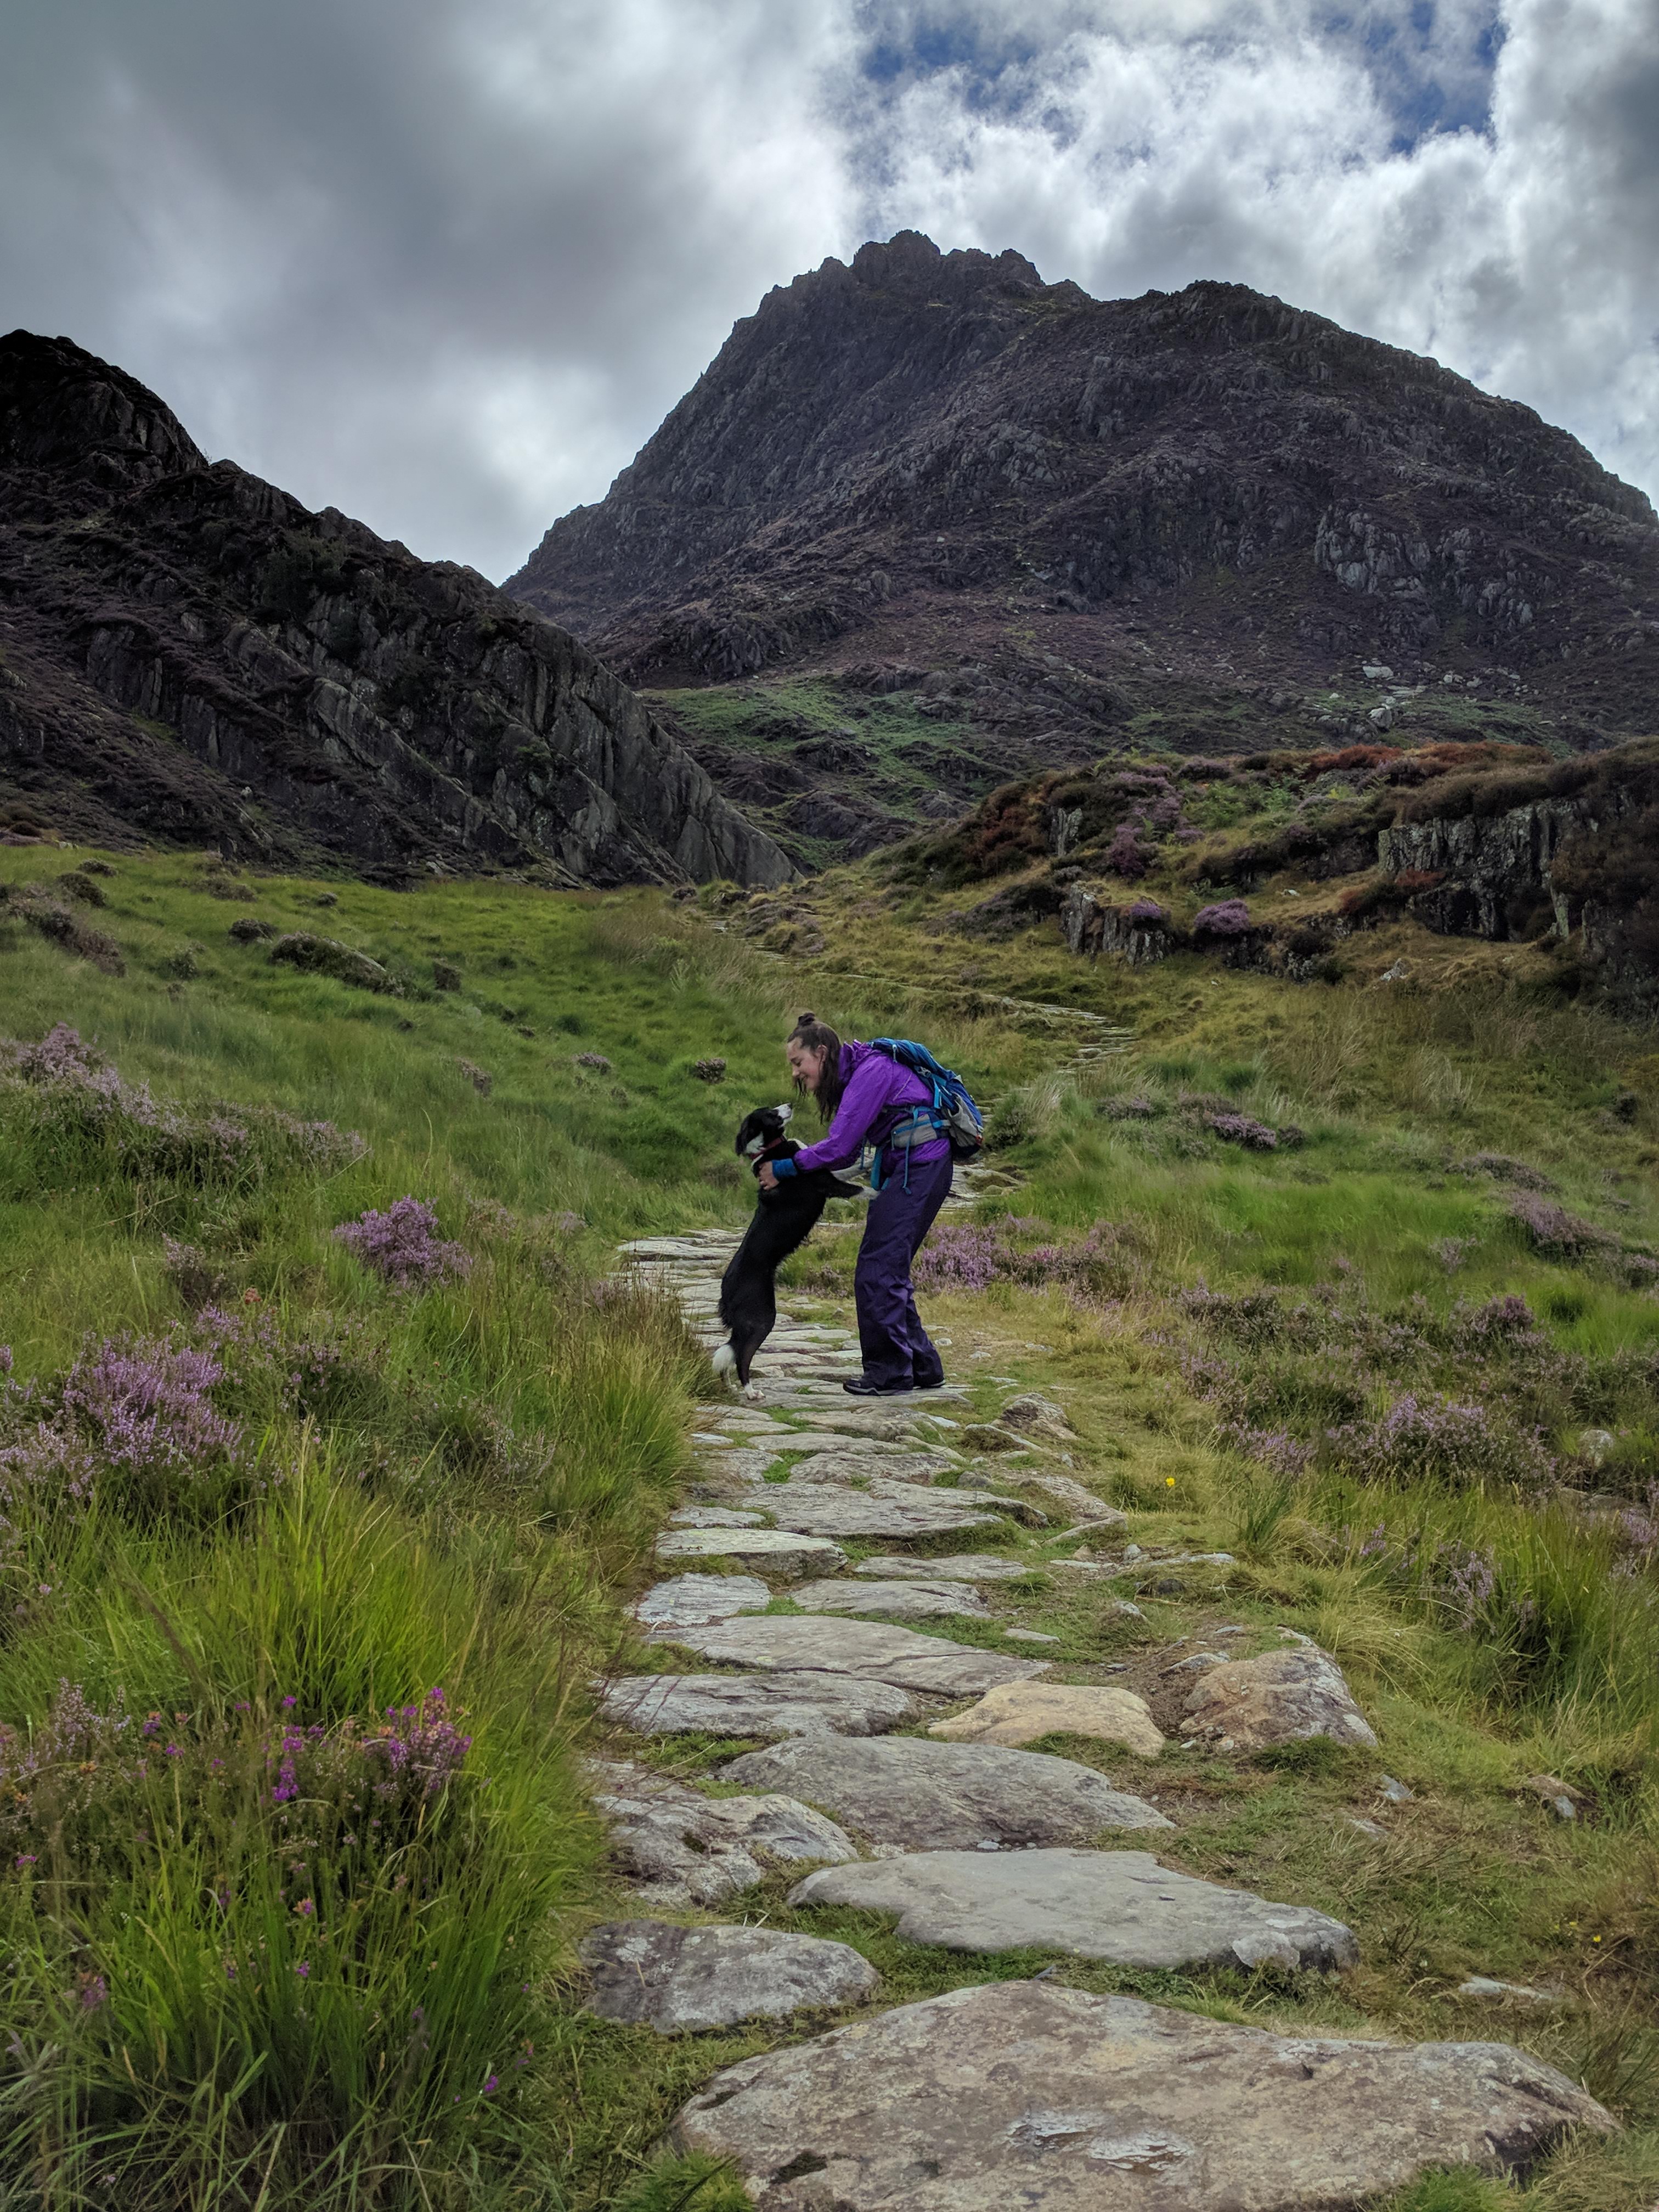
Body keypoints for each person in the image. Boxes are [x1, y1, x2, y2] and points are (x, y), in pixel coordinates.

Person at [758, 1011, 951, 1396]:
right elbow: (844, 1154)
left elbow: (840, 1148)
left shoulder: (870, 1072)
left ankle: (891, 1373)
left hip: (921, 1166)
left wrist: (784, 1167)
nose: (796, 1073)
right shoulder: (856, 1076)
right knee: (888, 1266)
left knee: (878, 1269)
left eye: (799, 1063)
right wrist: (799, 1165)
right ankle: (923, 1365)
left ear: (823, 1053)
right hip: (917, 1167)